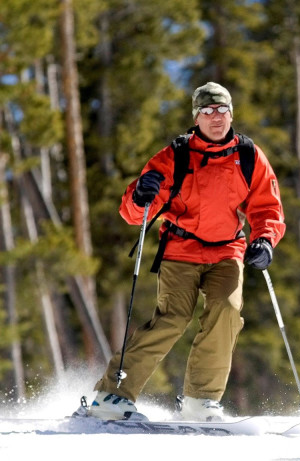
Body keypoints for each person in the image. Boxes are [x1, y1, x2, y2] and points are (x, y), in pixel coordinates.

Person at [83, 82, 286, 422]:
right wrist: (140, 194)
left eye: (221, 110)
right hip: (181, 249)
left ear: (231, 113)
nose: (215, 117)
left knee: (227, 310)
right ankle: (111, 396)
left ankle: (201, 400)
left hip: (227, 250)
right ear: (196, 117)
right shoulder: (175, 155)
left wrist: (265, 240)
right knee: (172, 318)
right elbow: (134, 213)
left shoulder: (249, 156)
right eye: (207, 111)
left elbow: (267, 207)